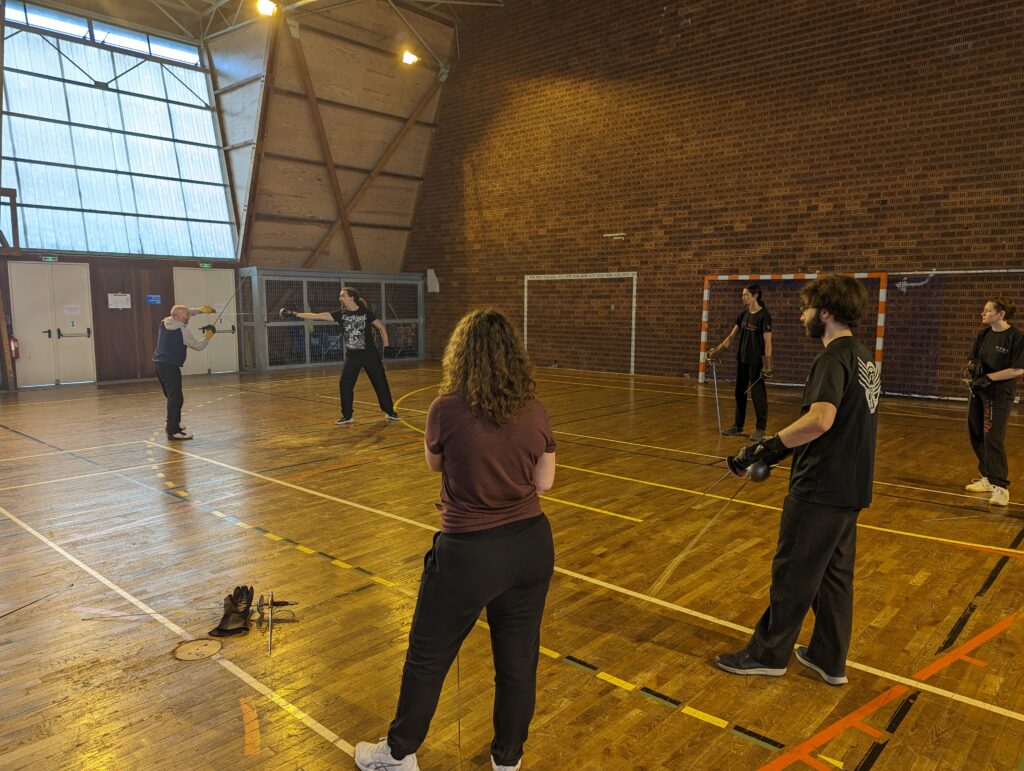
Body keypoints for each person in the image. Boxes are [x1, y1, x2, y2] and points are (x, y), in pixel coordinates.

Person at [355, 309, 556, 771]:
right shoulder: (536, 409)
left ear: (461, 356)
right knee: (517, 662)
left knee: (427, 657)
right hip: (530, 546)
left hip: (468, 552)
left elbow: (434, 464)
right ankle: (508, 760)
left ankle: (399, 753)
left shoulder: (445, 408)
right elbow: (544, 483)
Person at [714, 274, 880, 686]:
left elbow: (820, 420)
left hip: (820, 488)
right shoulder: (863, 356)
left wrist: (767, 447)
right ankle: (828, 657)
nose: (802, 315)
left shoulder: (832, 358)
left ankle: (768, 654)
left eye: (806, 309)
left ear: (824, 313)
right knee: (833, 577)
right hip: (851, 486)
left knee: (794, 572)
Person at [283, 287, 398, 425]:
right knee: (345, 384)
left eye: (343, 295)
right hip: (353, 356)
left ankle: (390, 412)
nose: (340, 298)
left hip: (370, 355)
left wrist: (387, 347)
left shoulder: (366, 313)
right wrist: (295, 313)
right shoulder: (341, 314)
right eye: (340, 295)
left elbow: (381, 328)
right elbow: (318, 315)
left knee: (380, 383)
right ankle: (347, 416)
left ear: (352, 297)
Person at [963, 298, 1024, 507]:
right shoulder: (984, 334)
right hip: (978, 391)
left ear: (1001, 314)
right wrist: (975, 371)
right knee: (976, 433)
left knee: (993, 437)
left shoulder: (1016, 338)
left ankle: (1001, 488)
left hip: (998, 394)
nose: (983, 313)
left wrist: (989, 378)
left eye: (988, 311)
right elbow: (973, 358)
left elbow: (1018, 369)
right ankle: (987, 478)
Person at [706, 283, 773, 440]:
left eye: (746, 295)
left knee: (757, 394)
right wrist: (716, 352)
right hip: (742, 359)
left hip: (756, 361)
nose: (743, 297)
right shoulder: (743, 314)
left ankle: (760, 429)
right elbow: (732, 336)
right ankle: (738, 426)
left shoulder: (764, 316)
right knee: (739, 392)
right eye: (743, 295)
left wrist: (768, 365)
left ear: (755, 296)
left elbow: (768, 342)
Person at [152, 303, 216, 440]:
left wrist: (199, 311)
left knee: (172, 397)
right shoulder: (182, 331)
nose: (189, 316)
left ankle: (173, 424)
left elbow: (182, 312)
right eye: (187, 315)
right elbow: (198, 346)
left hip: (159, 365)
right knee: (176, 399)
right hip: (169, 367)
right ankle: (173, 431)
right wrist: (207, 336)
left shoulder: (164, 322)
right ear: (181, 317)